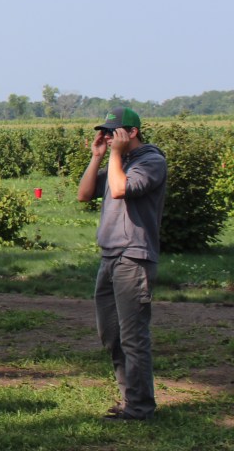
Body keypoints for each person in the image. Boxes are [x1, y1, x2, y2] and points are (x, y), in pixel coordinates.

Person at [76, 107, 167, 422]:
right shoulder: (119, 161)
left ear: (133, 133)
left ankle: (141, 407)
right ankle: (130, 400)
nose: (109, 137)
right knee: (111, 334)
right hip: (110, 255)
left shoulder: (151, 162)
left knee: (132, 336)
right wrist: (98, 157)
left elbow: (119, 189)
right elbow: (84, 194)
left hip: (134, 256)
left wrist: (114, 156)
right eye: (106, 132)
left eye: (115, 132)